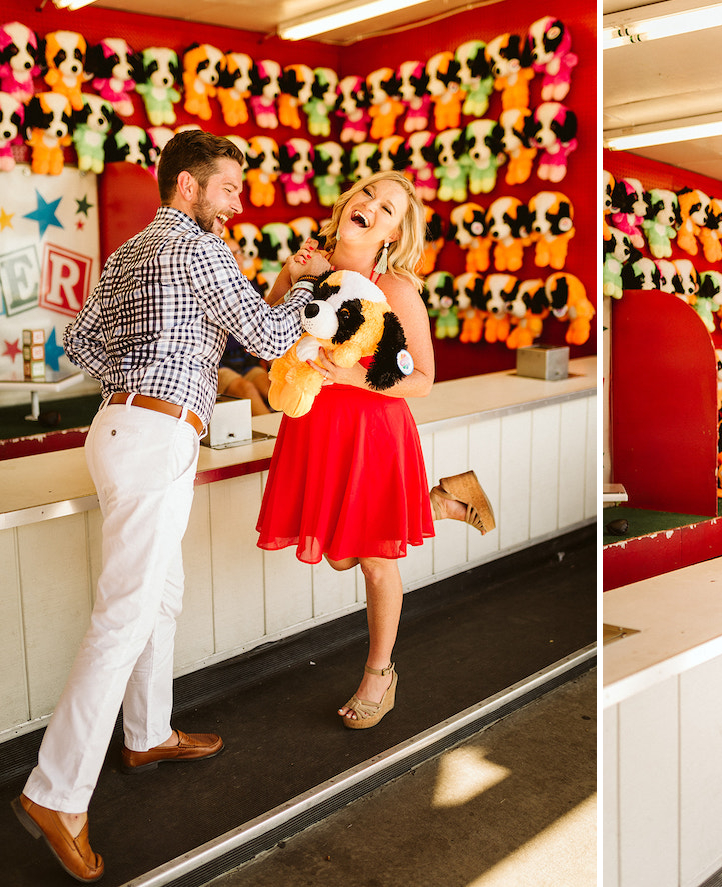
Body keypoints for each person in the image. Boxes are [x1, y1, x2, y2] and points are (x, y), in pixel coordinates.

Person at [11, 129, 330, 883]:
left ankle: (147, 732)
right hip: (155, 434)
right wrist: (310, 285)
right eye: (227, 188)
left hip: (124, 427)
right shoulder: (199, 248)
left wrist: (158, 356)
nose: (236, 201)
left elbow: (82, 344)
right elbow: (263, 335)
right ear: (186, 186)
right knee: (123, 613)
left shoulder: (132, 250)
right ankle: (54, 792)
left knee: (161, 595)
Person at [256, 170, 494, 731]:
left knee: (373, 561)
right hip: (314, 427)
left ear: (390, 234)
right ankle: (440, 500)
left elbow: (424, 379)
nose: (372, 205)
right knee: (340, 552)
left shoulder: (396, 289)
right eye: (369, 193)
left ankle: (379, 676)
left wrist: (350, 379)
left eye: (388, 208)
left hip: (371, 430)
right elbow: (267, 335)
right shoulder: (314, 267)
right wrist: (287, 278)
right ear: (347, 203)